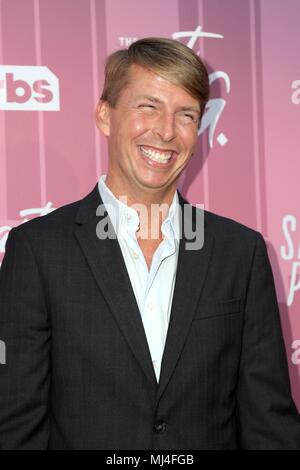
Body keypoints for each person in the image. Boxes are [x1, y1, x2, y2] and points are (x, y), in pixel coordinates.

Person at [0, 37, 299, 450]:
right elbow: (15, 423)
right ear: (106, 116)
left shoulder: (240, 252)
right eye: (148, 107)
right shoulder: (37, 250)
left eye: (186, 115)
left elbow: (269, 424)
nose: (165, 131)